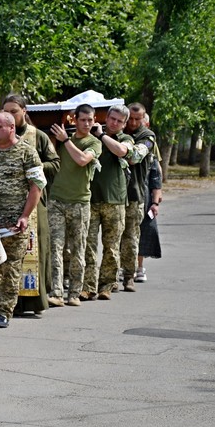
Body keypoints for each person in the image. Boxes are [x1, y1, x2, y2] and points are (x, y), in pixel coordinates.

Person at [0, 112, 45, 328]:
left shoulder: (27, 152)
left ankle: (5, 311)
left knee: (11, 268)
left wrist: (25, 215)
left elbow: (37, 186)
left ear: (11, 128)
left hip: (15, 223)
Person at [1, 94, 60, 316]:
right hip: (7, 204)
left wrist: (32, 168)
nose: (11, 115)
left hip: (34, 202)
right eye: (7, 111)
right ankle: (8, 301)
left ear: (24, 111)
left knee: (36, 251)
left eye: (14, 111)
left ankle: (34, 301)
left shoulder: (39, 137)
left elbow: (55, 164)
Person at [47, 104, 102, 307]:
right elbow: (48, 151)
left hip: (80, 202)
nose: (87, 124)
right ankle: (57, 292)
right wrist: (59, 137)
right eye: (83, 120)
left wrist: (66, 140)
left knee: (78, 249)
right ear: (75, 120)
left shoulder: (94, 142)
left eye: (90, 120)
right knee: (56, 247)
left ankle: (74, 293)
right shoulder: (63, 138)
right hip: (57, 200)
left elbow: (81, 160)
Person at [81, 105, 134, 301]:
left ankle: (107, 284)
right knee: (89, 245)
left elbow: (121, 151)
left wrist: (102, 136)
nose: (114, 123)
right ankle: (88, 286)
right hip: (92, 198)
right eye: (112, 118)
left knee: (111, 246)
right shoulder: (92, 134)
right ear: (107, 117)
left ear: (124, 124)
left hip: (115, 200)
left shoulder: (125, 139)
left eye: (119, 121)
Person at [120, 102, 155, 292]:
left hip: (134, 194)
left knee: (131, 237)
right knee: (113, 238)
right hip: (115, 194)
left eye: (137, 119)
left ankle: (129, 275)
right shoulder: (118, 131)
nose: (133, 122)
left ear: (143, 119)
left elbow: (134, 157)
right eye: (130, 119)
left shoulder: (147, 137)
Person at [136, 113, 162, 281]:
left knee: (145, 229)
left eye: (139, 120)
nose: (135, 123)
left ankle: (139, 268)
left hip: (144, 190)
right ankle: (125, 268)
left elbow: (156, 169)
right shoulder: (124, 137)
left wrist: (157, 195)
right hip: (127, 191)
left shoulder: (149, 140)